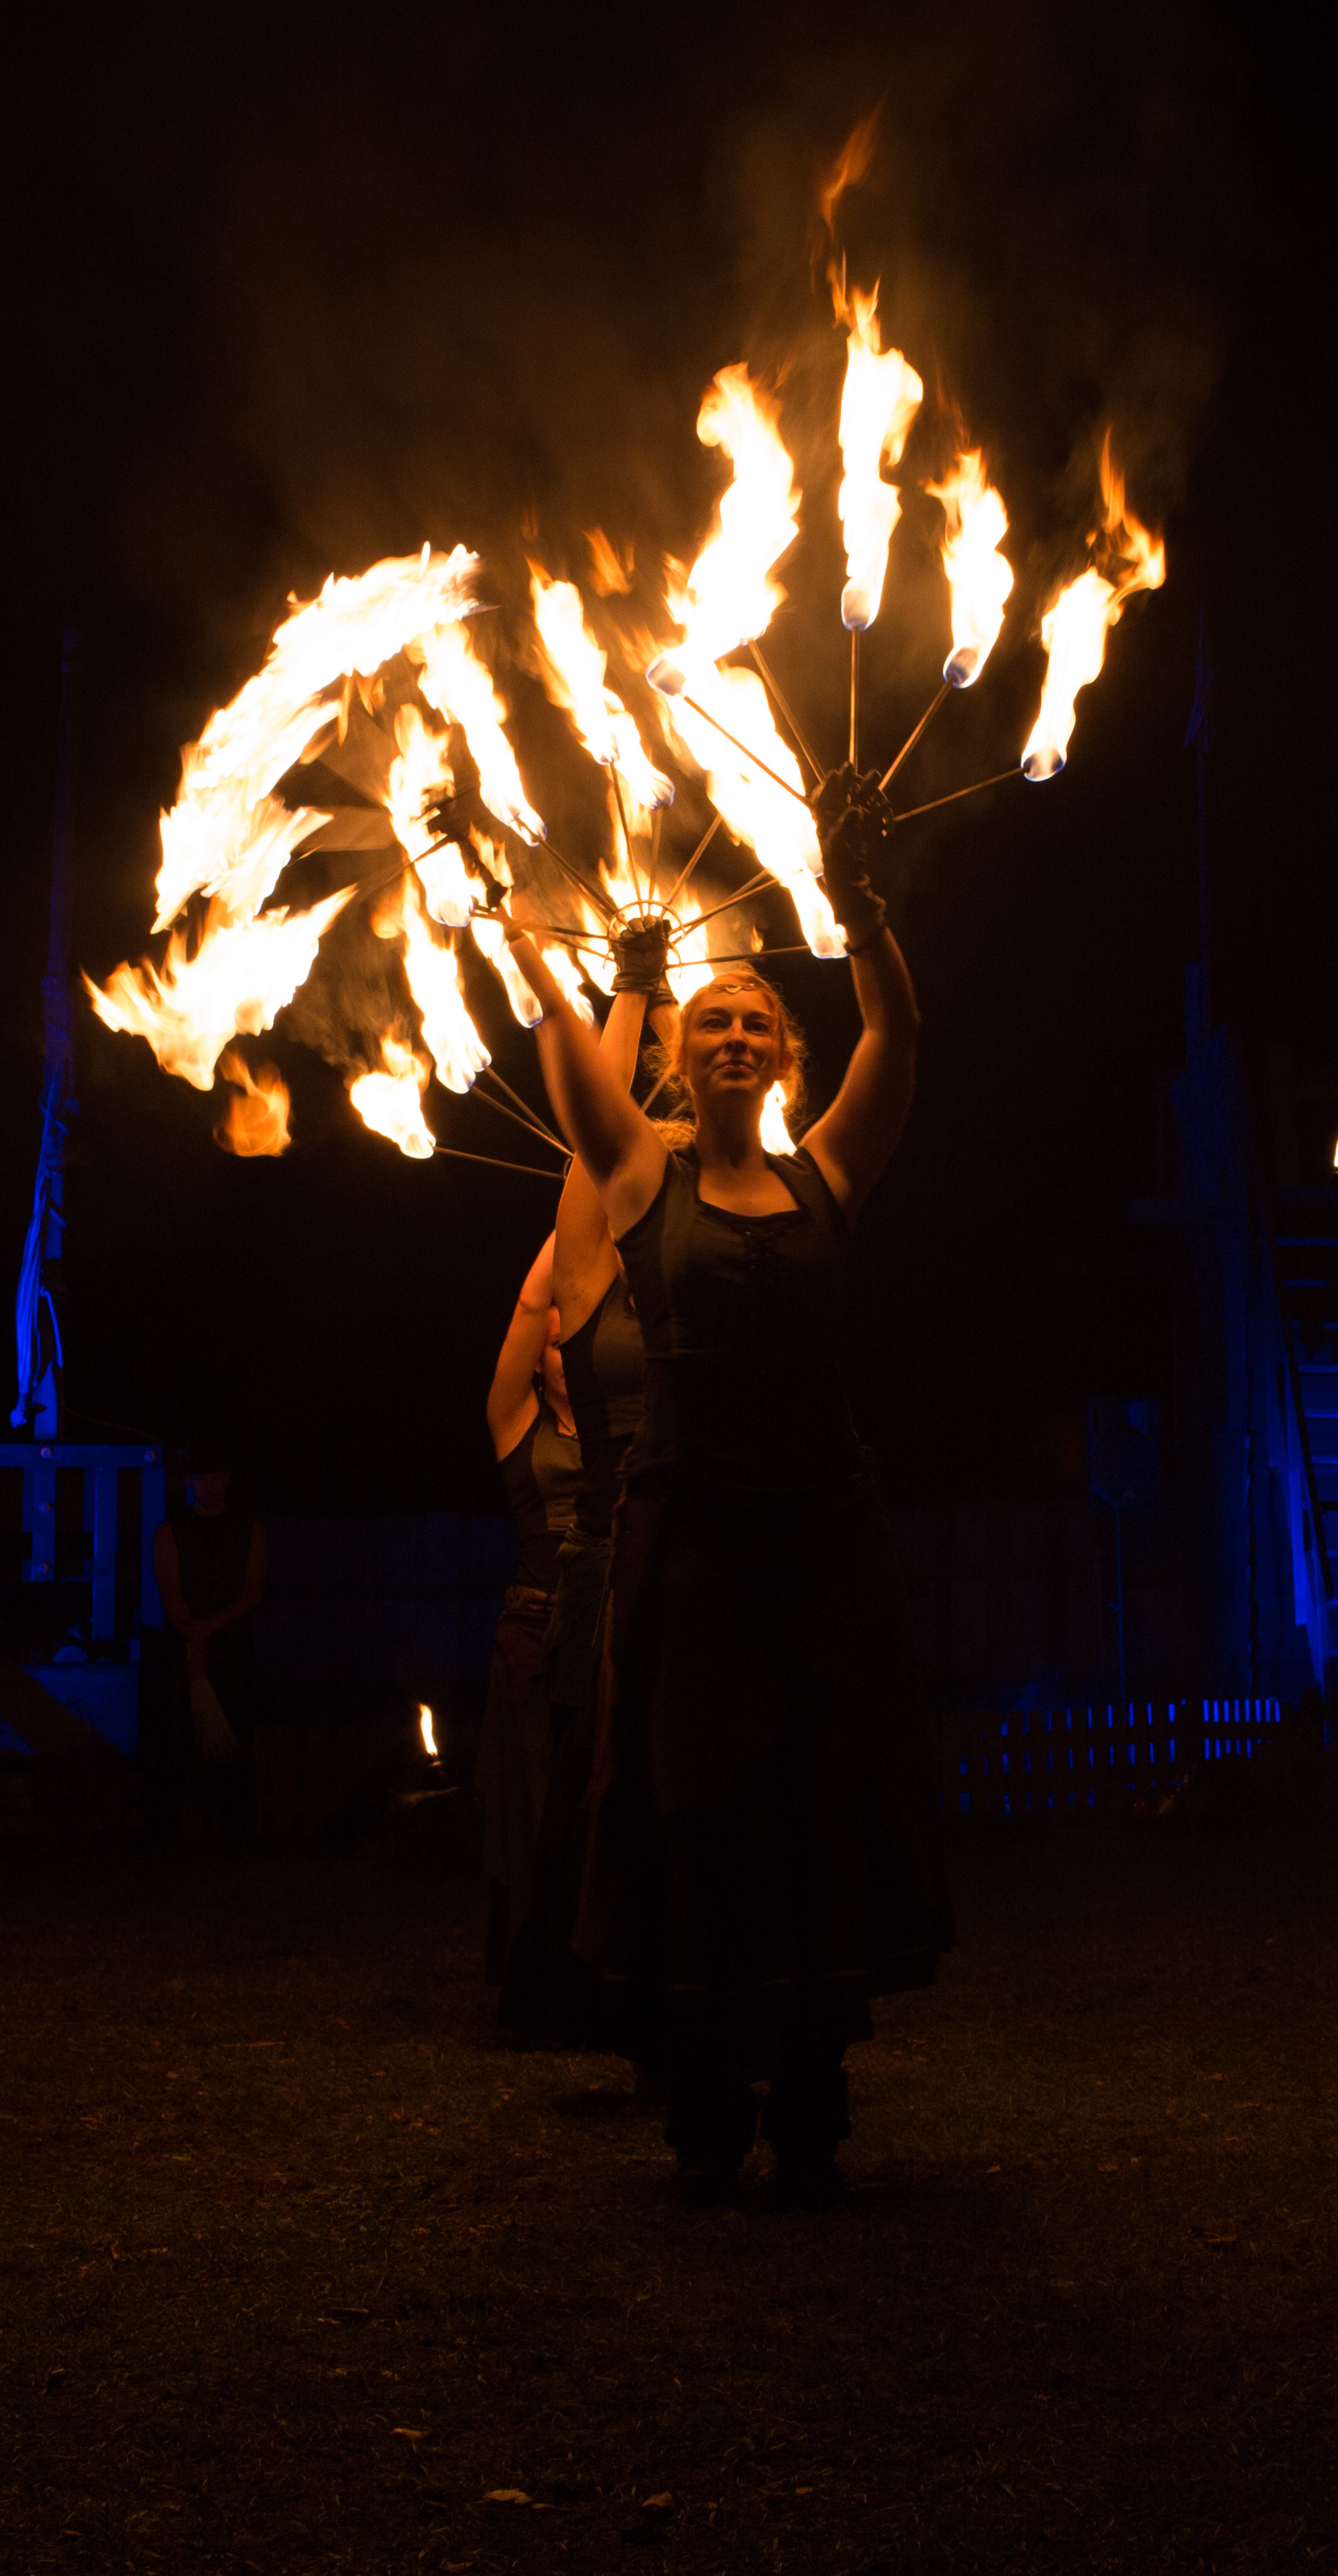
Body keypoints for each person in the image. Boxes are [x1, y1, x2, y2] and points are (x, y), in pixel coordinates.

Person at [498, 794, 943, 2202]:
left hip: (819, 1541)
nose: (738, 1035)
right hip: (691, 1548)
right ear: (683, 1062)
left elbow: (900, 1036)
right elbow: (570, 1065)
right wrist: (576, 963)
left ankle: (809, 2093)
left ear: (784, 1056)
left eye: (757, 1021)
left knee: (817, 1799)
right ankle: (702, 2097)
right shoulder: (643, 1178)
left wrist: (861, 915)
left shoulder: (829, 1174)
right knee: (699, 1807)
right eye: (715, 1024)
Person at [501, 937, 669, 2052]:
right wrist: (631, 994)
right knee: (596, 1779)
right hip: (606, 1563)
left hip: (708, 1550)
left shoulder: (711, 1269)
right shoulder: (594, 1280)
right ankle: (588, 1992)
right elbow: (593, 1141)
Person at [479, 1236, 581, 2009]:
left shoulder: (630, 1425)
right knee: (537, 1804)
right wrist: (575, 1212)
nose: (565, 1348)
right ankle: (538, 1980)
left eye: (576, 1335)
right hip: (535, 1632)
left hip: (607, 1627)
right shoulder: (517, 1422)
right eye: (554, 1341)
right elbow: (526, 1306)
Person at [154, 1448, 268, 1792]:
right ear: (190, 1481)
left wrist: (205, 1630)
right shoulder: (170, 1530)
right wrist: (194, 1636)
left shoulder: (250, 1529)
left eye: (217, 1478)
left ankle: (231, 1807)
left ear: (228, 1480)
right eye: (203, 1479)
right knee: (181, 1730)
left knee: (234, 1727)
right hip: (184, 1642)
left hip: (231, 1645)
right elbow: (170, 1590)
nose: (210, 1486)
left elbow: (252, 1591)